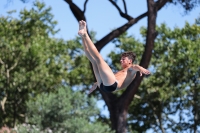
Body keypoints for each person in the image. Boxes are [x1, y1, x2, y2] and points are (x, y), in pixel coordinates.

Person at [78, 20, 150, 94]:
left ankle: (85, 35)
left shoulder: (131, 71)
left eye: (123, 59)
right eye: (121, 59)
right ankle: (83, 36)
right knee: (93, 61)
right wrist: (96, 84)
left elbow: (135, 67)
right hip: (102, 85)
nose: (121, 61)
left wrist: (141, 68)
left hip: (112, 85)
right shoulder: (121, 72)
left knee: (99, 58)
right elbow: (106, 75)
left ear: (130, 61)